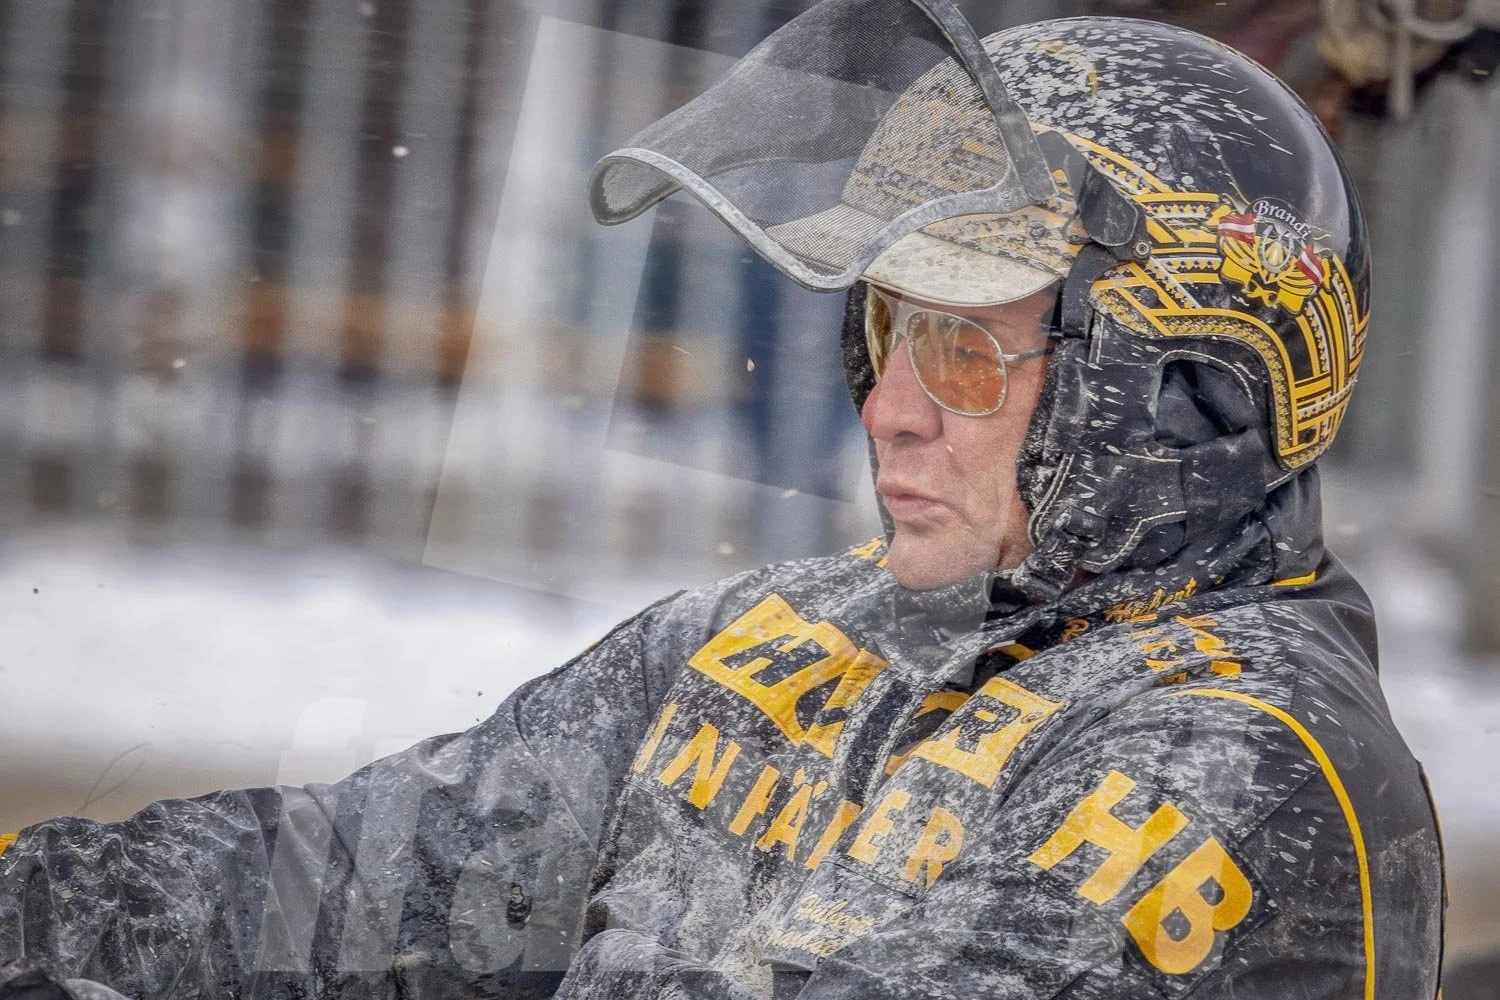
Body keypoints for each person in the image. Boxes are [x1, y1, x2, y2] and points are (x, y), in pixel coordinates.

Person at [0, 3, 1445, 999]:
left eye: (963, 346)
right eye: (886, 331)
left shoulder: (1248, 766)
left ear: (1170, 391)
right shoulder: (783, 637)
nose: (888, 404)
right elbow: (357, 884)